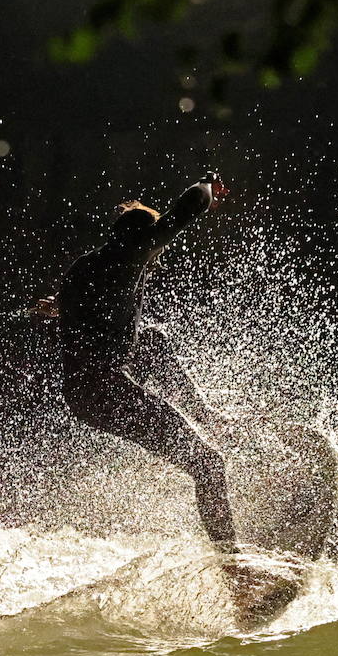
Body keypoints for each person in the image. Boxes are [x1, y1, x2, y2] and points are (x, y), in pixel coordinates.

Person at [43, 173, 237, 548]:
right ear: (144, 240)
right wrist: (207, 184)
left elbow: (75, 306)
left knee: (151, 338)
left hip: (84, 392)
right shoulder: (132, 254)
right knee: (208, 464)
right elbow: (188, 207)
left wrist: (56, 310)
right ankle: (233, 563)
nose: (156, 254)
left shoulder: (86, 266)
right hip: (104, 389)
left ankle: (209, 419)